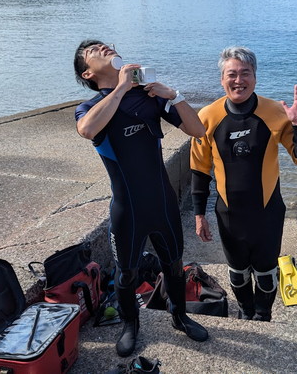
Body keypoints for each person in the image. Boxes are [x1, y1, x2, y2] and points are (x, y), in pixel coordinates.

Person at [73, 40, 208, 357]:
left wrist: (173, 95)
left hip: (162, 204)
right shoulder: (91, 107)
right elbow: (87, 129)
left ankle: (179, 317)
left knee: (174, 265)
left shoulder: (147, 97)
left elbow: (198, 129)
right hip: (128, 209)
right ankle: (131, 326)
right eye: (94, 49)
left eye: (106, 44)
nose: (104, 46)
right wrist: (119, 89)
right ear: (89, 72)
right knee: (126, 273)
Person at [190, 46, 297, 321]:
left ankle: (264, 315)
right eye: (231, 74)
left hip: (267, 212)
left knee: (266, 271)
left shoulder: (275, 112)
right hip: (229, 213)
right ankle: (246, 312)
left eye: (245, 73)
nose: (238, 80)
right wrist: (199, 215)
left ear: (255, 78)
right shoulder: (207, 117)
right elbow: (199, 169)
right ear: (222, 79)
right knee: (237, 271)